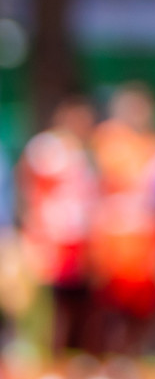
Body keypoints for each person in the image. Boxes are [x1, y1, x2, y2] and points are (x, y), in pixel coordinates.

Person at [90, 82, 155, 358]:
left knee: (142, 308)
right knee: (110, 308)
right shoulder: (106, 141)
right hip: (114, 240)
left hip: (146, 242)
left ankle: (134, 358)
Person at [19, 95, 99, 359]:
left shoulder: (86, 152)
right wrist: (35, 234)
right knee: (50, 305)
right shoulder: (47, 148)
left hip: (79, 240)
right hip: (52, 239)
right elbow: (29, 192)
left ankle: (72, 358)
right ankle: (42, 357)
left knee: (78, 303)